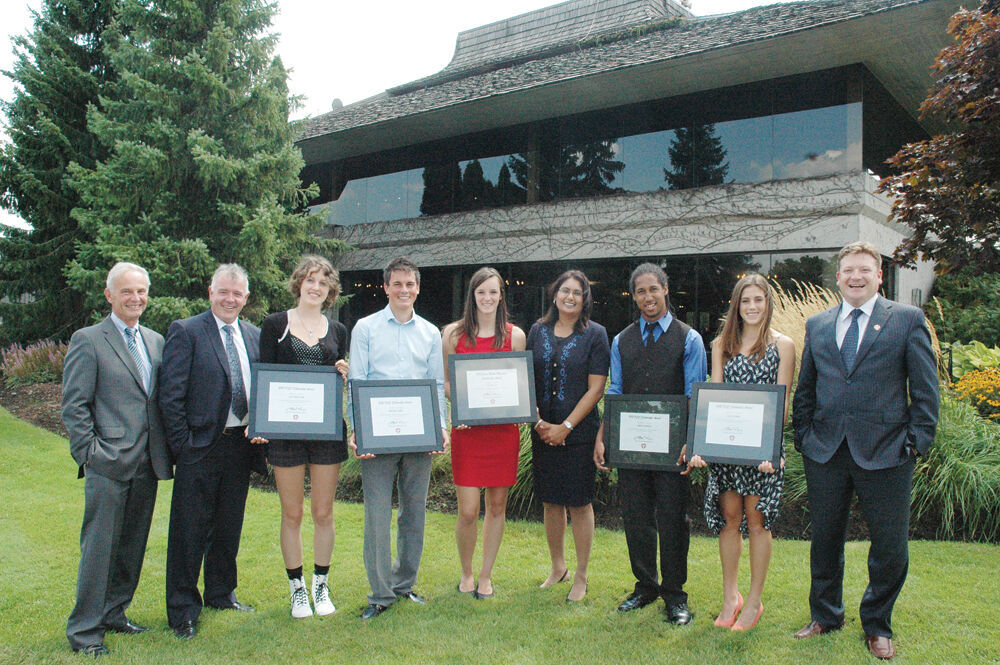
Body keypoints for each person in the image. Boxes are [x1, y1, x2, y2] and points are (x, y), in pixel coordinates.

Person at [792, 242, 938, 660]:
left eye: (864, 270)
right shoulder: (818, 324)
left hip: (888, 452)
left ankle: (877, 624)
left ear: (878, 276)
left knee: (890, 546)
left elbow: (925, 392)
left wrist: (916, 442)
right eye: (848, 270)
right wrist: (803, 435)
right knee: (824, 541)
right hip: (826, 451)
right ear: (837, 277)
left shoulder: (907, 319)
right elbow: (807, 388)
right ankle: (825, 615)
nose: (855, 277)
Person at [61, 262, 173, 657]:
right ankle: (85, 631)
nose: (136, 298)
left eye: (141, 291)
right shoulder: (89, 339)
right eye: (127, 291)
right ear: (109, 295)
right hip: (107, 462)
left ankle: (114, 613)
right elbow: (74, 406)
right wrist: (90, 454)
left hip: (148, 461)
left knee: (132, 546)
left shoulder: (157, 341)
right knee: (99, 549)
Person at [594, 262, 707, 624]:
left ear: (665, 291)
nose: (647, 298)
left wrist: (691, 441)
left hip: (673, 449)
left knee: (674, 519)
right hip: (630, 445)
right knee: (636, 517)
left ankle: (675, 594)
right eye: (640, 291)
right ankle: (645, 586)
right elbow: (615, 390)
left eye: (653, 290)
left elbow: (693, 395)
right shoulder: (620, 339)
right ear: (634, 295)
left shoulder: (689, 339)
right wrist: (604, 435)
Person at [160, 264, 266, 639]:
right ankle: (183, 609)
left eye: (237, 294)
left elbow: (264, 388)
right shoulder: (186, 331)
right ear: (210, 292)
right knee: (189, 530)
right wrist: (184, 447)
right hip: (199, 447)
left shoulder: (254, 335)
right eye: (224, 292)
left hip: (241, 445)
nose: (230, 299)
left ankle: (221, 593)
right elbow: (170, 396)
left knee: (227, 526)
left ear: (246, 298)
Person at [686, 274, 795, 631]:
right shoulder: (720, 344)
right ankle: (730, 596)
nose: (752, 307)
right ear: (736, 304)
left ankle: (753, 602)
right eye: (745, 300)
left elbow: (782, 402)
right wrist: (702, 445)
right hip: (727, 449)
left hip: (761, 453)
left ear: (768, 303)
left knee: (757, 521)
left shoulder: (784, 345)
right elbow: (714, 397)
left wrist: (772, 448)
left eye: (758, 300)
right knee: (729, 518)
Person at [348, 256, 449, 620]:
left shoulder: (430, 333)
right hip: (378, 436)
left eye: (410, 284)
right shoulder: (366, 328)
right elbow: (356, 382)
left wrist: (442, 426)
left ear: (418, 288)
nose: (404, 290)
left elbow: (436, 384)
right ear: (386, 287)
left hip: (419, 434)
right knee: (377, 514)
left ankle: (404, 584)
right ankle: (380, 593)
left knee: (414, 512)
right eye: (397, 284)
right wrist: (357, 429)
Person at [254, 256, 349, 618]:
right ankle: (296, 589)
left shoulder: (338, 330)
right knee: (292, 513)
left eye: (323, 283)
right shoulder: (276, 324)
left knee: (323, 512)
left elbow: (334, 379)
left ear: (330, 290)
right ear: (299, 283)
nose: (315, 287)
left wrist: (341, 371)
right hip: (286, 434)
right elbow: (264, 375)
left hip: (326, 433)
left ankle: (321, 585)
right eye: (310, 280)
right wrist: (261, 424)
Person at [442, 267, 527, 600]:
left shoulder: (515, 336)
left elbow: (519, 383)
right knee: (466, 510)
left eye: (493, 292)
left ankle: (486, 575)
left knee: (496, 506)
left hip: (502, 434)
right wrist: (461, 405)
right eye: (481, 292)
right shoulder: (452, 334)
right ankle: (466, 572)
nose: (487, 298)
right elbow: (447, 382)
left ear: (501, 295)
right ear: (472, 296)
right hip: (468, 432)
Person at [526, 270, 609, 603]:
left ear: (585, 298)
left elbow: (596, 388)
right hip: (542, 431)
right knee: (550, 502)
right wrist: (538, 421)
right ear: (555, 293)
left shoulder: (596, 335)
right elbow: (524, 379)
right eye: (565, 290)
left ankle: (582, 574)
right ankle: (557, 567)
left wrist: (566, 427)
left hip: (578, 434)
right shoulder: (537, 331)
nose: (571, 297)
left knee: (579, 503)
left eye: (578, 292)